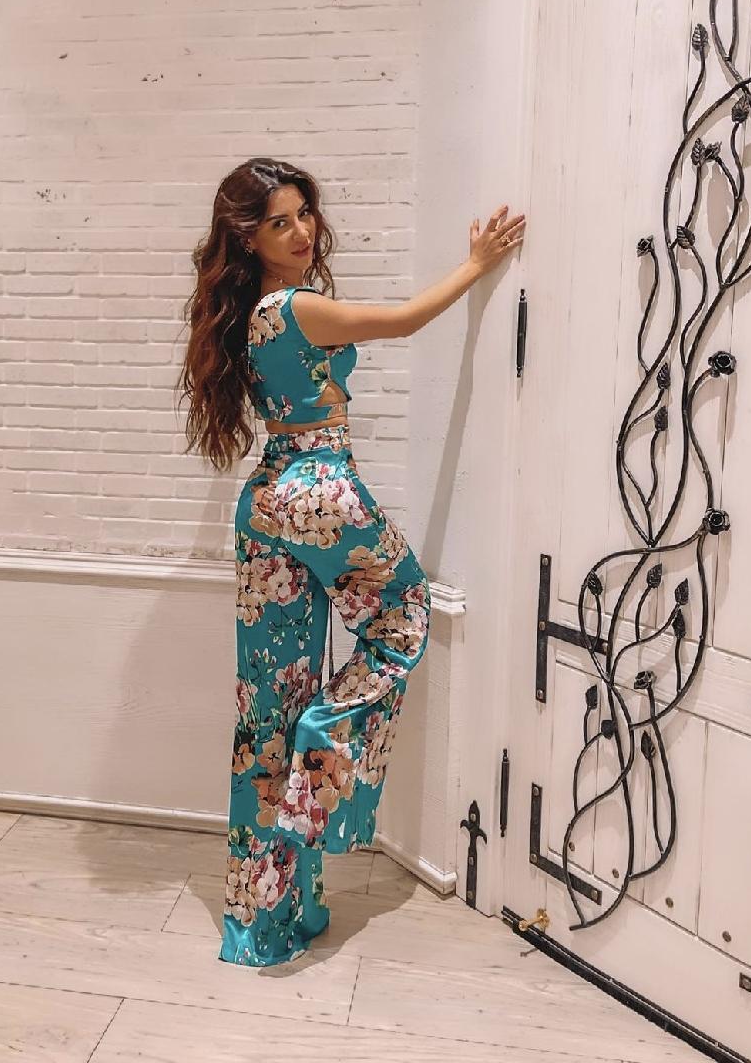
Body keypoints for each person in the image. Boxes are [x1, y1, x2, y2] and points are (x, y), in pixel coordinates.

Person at [176, 157, 525, 966]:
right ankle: (324, 734)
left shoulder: (238, 314)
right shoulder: (294, 307)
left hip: (265, 500)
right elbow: (401, 321)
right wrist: (475, 265)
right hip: (318, 486)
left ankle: (267, 924)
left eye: (304, 213)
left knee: (264, 714)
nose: (301, 231)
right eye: (279, 223)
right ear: (248, 238)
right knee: (404, 613)